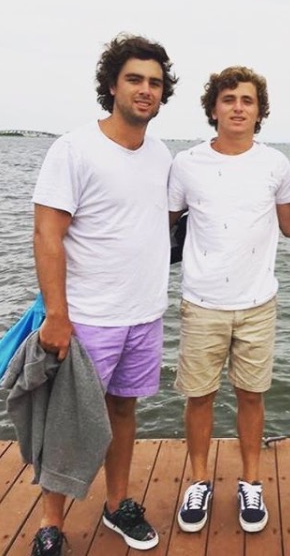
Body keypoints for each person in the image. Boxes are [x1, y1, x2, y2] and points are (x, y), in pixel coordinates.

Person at [30, 33, 178, 555]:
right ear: (112, 85)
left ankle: (117, 505)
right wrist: (56, 314)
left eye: (155, 83)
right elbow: (47, 233)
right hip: (88, 316)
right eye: (135, 79)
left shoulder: (161, 154)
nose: (145, 90)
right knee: (69, 423)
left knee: (122, 413)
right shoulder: (74, 148)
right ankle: (51, 523)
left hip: (145, 314)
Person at [168, 66, 290, 535]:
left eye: (247, 100)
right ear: (213, 108)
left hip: (257, 303)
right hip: (201, 301)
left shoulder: (275, 165)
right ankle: (199, 480)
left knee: (252, 396)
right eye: (228, 99)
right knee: (200, 397)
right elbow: (160, 225)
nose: (237, 107)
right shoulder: (186, 163)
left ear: (259, 111)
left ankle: (251, 481)